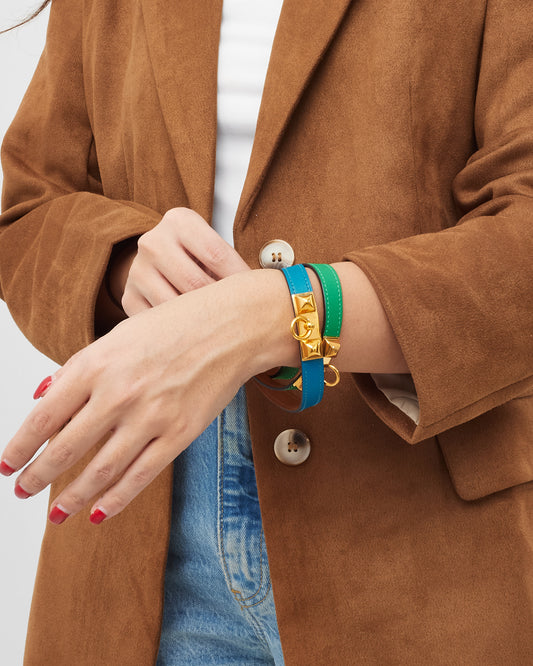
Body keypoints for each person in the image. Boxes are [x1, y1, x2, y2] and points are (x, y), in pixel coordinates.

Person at [0, 0, 532, 664]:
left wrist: (277, 313)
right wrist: (123, 262)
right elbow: (30, 208)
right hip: (138, 531)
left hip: (418, 534)